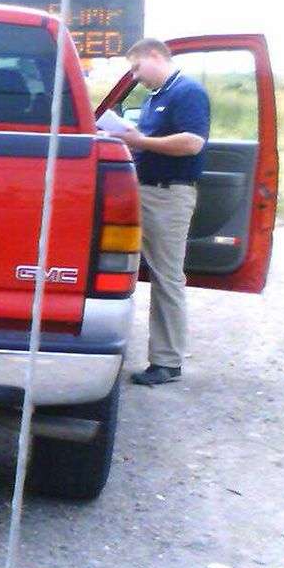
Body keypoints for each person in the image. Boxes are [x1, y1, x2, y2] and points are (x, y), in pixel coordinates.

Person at [106, 38, 210, 386]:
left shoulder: (187, 92)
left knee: (166, 277)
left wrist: (140, 142)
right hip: (144, 191)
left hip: (168, 195)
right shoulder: (156, 97)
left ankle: (167, 362)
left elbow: (193, 142)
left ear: (155, 56)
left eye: (136, 67)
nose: (135, 77)